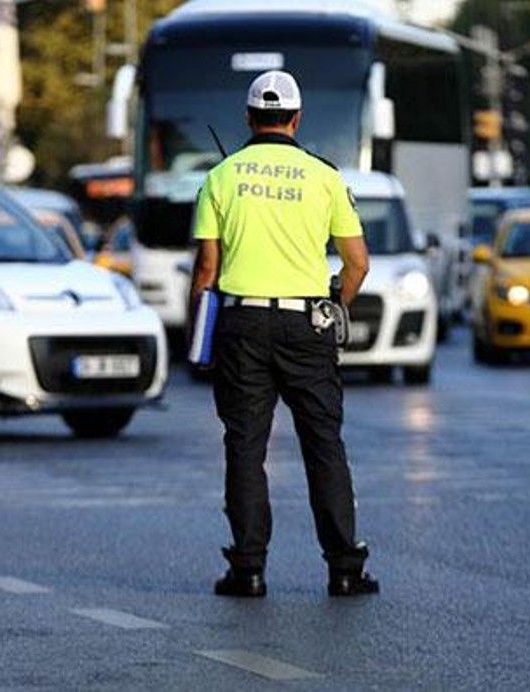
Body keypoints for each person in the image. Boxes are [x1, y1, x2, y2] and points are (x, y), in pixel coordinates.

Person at [188, 70, 377, 598]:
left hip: (241, 326)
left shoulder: (221, 177)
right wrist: (333, 305)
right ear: (296, 118)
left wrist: (199, 338)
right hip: (306, 325)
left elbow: (206, 270)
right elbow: (358, 264)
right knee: (323, 444)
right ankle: (345, 567)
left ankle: (247, 569)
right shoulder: (324, 177)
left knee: (245, 446)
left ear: (249, 118)